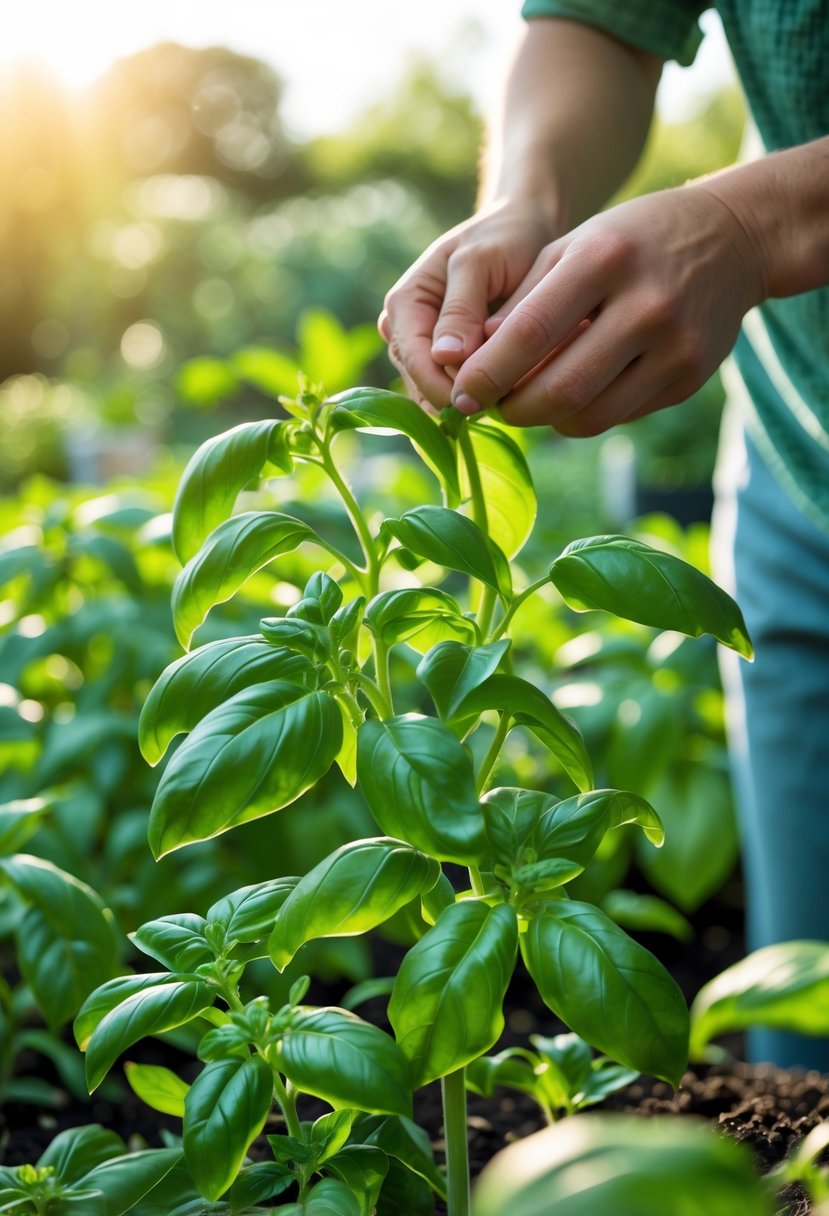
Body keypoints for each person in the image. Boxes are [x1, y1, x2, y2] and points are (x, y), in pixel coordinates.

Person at [378, 4, 829, 1071]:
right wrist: (523, 200)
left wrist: (757, 225)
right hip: (796, 443)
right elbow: (602, 19)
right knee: (802, 1046)